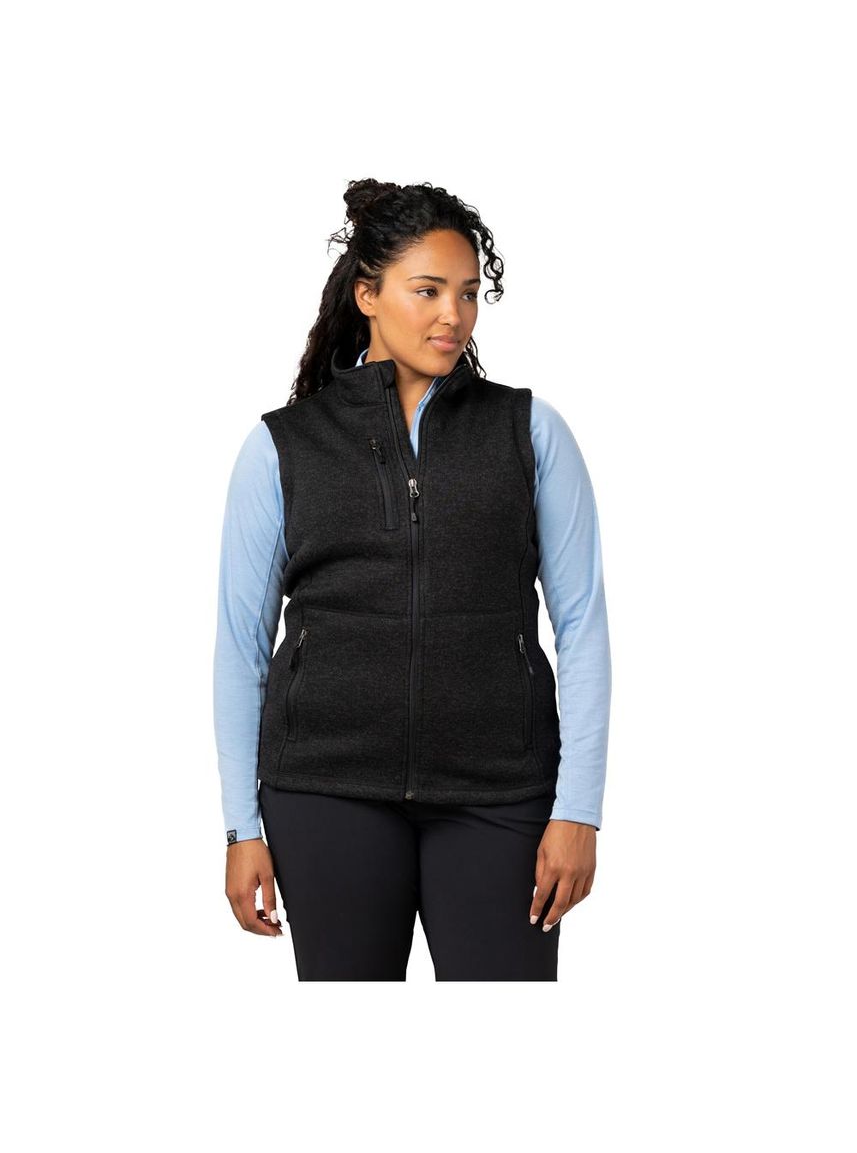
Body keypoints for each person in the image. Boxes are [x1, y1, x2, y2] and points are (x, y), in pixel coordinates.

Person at [213, 178, 612, 981]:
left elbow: (582, 628)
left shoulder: (529, 432)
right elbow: (240, 644)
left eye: (466, 293)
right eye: (426, 290)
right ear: (367, 295)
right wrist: (240, 827)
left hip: (500, 793)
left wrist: (578, 810)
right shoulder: (283, 447)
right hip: (325, 791)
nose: (452, 316)